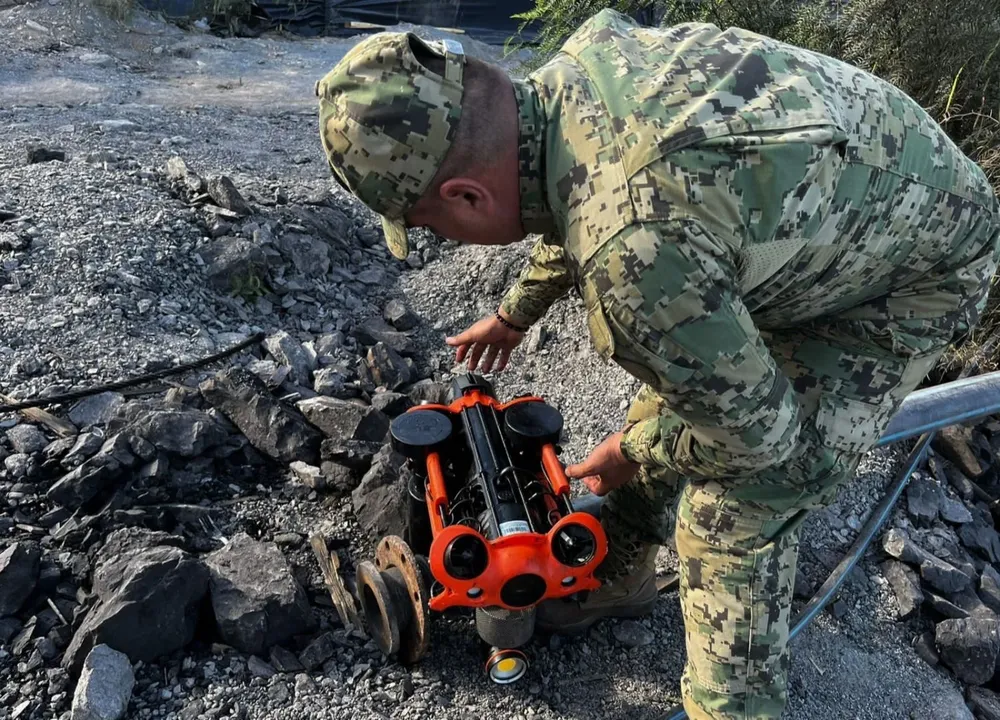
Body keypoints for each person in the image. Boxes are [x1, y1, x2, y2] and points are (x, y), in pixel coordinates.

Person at [314, 10, 1000, 718]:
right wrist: (518, 312)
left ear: (465, 196)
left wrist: (635, 449)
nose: (440, 233)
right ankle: (617, 575)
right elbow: (574, 194)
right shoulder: (576, 74)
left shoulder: (636, 254)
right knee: (674, 396)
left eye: (427, 223)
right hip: (843, 217)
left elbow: (761, 441)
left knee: (733, 508)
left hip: (914, 277)